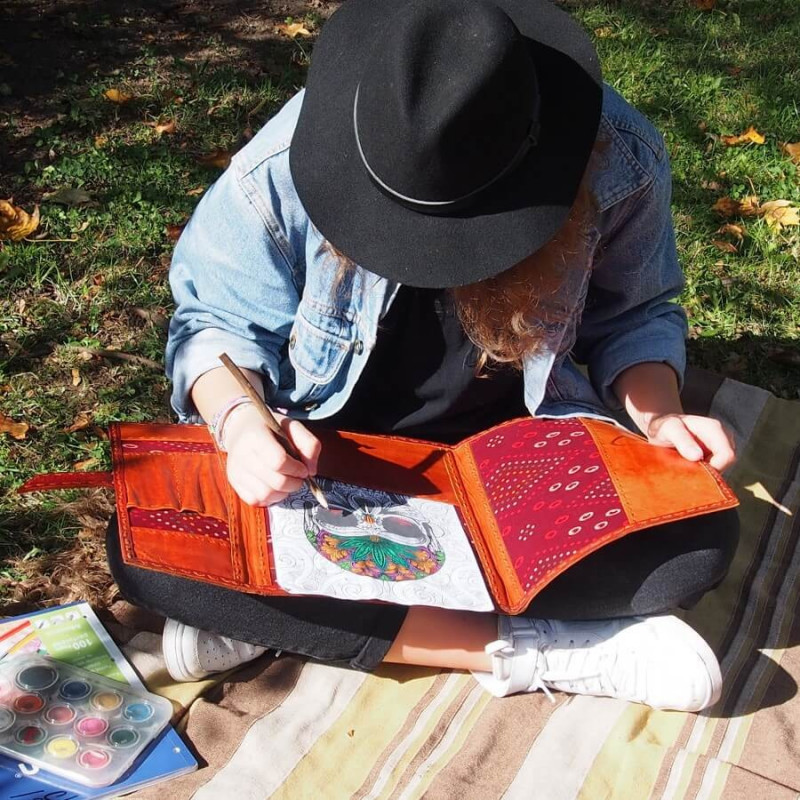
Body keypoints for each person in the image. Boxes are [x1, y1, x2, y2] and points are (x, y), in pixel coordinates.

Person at [106, 0, 739, 711]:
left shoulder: (615, 154)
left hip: (517, 459)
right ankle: (534, 648)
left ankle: (293, 621)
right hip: (323, 458)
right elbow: (216, 322)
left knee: (692, 548)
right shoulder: (285, 162)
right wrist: (243, 427)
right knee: (143, 547)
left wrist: (659, 418)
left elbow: (636, 315)